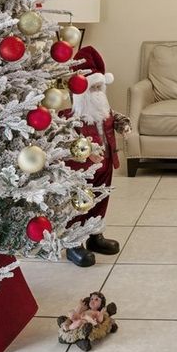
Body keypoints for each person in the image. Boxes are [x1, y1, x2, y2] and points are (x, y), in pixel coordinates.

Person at [64, 45, 129, 267]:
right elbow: (68, 139)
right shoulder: (72, 115)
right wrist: (87, 151)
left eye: (100, 88)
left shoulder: (103, 109)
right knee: (80, 202)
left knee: (101, 199)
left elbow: (113, 118)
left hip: (106, 162)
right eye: (94, 88)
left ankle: (95, 235)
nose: (98, 93)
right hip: (82, 168)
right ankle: (74, 242)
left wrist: (124, 125)